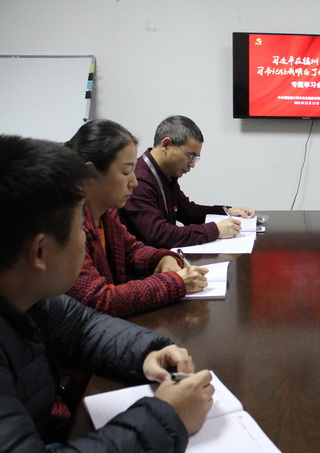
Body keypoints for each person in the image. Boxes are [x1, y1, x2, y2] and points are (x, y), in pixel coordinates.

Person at [0, 134, 214, 452]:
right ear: (40, 252)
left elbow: (86, 328)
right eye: (78, 229)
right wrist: (167, 415)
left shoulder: (31, 296)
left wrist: (147, 352)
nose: (86, 236)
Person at [64, 119, 209, 317]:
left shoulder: (106, 215)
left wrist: (163, 258)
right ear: (90, 173)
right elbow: (100, 300)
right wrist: (176, 283)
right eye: (125, 171)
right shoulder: (66, 227)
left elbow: (133, 251)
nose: (133, 182)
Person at [119, 115, 255, 248]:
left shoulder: (165, 174)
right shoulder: (139, 180)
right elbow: (160, 234)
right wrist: (215, 230)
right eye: (190, 156)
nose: (192, 164)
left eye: (195, 158)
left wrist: (227, 211)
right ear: (166, 144)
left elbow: (187, 211)